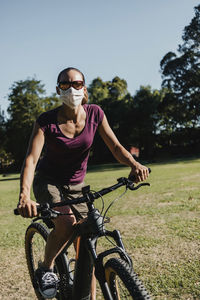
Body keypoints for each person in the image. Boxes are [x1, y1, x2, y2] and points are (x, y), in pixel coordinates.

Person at [17, 67, 149, 299]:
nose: (71, 89)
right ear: (58, 89)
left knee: (87, 239)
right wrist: (24, 196)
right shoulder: (45, 121)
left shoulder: (95, 113)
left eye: (76, 84)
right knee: (67, 224)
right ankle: (46, 268)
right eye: (65, 85)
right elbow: (31, 159)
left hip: (78, 185)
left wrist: (134, 165)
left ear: (84, 88)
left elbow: (116, 147)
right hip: (49, 182)